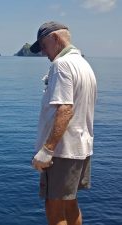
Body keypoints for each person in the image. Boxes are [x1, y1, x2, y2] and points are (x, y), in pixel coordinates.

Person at [30, 21, 97, 225]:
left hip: (61, 152)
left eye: (43, 45)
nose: (43, 52)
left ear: (55, 39)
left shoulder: (62, 64)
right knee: (70, 203)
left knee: (54, 207)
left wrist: (47, 150)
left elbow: (65, 109)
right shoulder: (85, 65)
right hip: (80, 148)